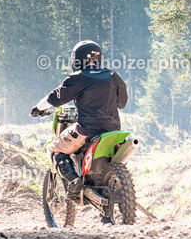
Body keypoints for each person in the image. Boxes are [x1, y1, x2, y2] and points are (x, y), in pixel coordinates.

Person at [31, 40, 127, 198]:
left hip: (87, 131)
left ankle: (74, 181)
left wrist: (38, 107)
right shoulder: (112, 75)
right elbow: (122, 103)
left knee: (54, 148)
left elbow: (55, 97)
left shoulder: (78, 77)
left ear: (77, 59)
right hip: (114, 130)